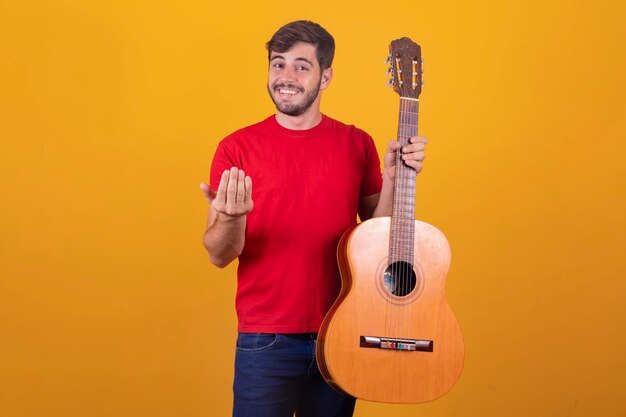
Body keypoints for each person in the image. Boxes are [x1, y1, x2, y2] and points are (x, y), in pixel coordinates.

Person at [200, 20, 427, 417]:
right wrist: (232, 217)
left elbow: (380, 233)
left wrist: (393, 178)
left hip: (343, 328)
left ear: (326, 76)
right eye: (278, 64)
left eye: (301, 66)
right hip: (265, 339)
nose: (286, 77)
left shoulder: (357, 143)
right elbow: (219, 254)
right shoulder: (236, 148)